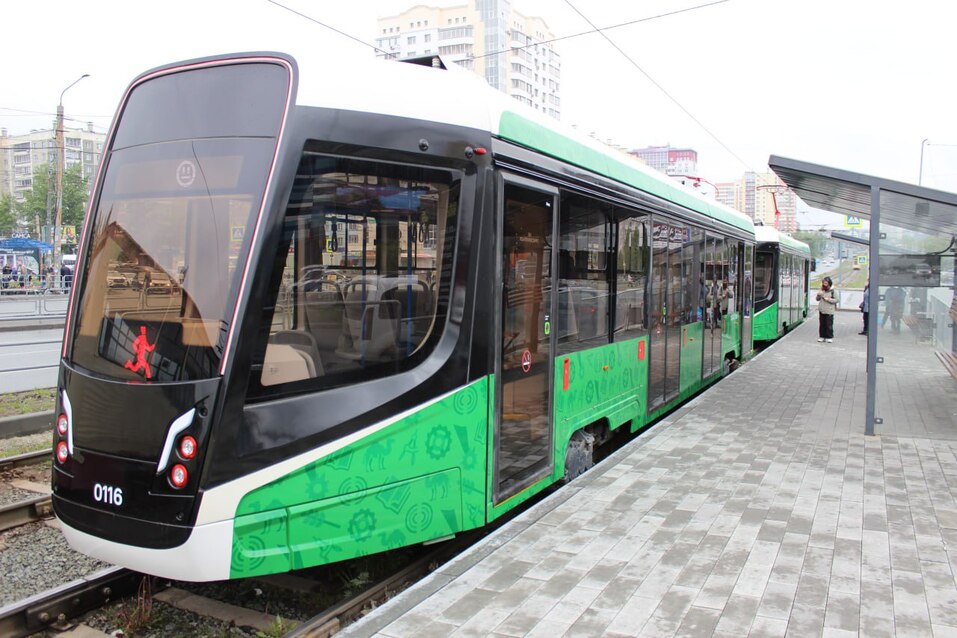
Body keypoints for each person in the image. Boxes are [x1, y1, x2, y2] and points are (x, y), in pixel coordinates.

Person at [816, 276, 838, 342]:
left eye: (826, 283)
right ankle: (822, 336)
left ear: (829, 283)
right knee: (822, 324)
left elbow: (837, 300)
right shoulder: (822, 289)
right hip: (822, 310)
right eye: (823, 283)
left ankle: (829, 337)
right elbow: (817, 299)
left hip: (829, 310)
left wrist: (829, 299)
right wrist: (818, 295)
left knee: (829, 324)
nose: (824, 284)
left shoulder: (833, 291)